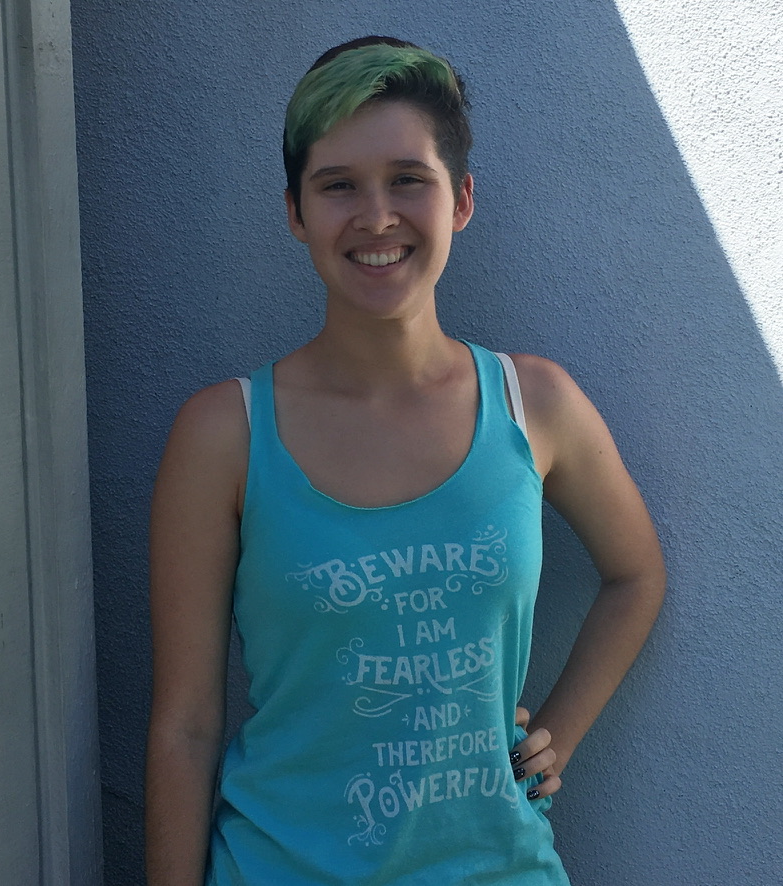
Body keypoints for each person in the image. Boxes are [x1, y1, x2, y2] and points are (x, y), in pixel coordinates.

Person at [145, 36, 666, 885]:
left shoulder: (536, 406)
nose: (376, 215)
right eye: (338, 185)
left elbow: (636, 574)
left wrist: (557, 735)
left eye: (407, 180)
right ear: (294, 212)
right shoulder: (224, 435)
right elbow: (186, 724)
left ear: (461, 199)